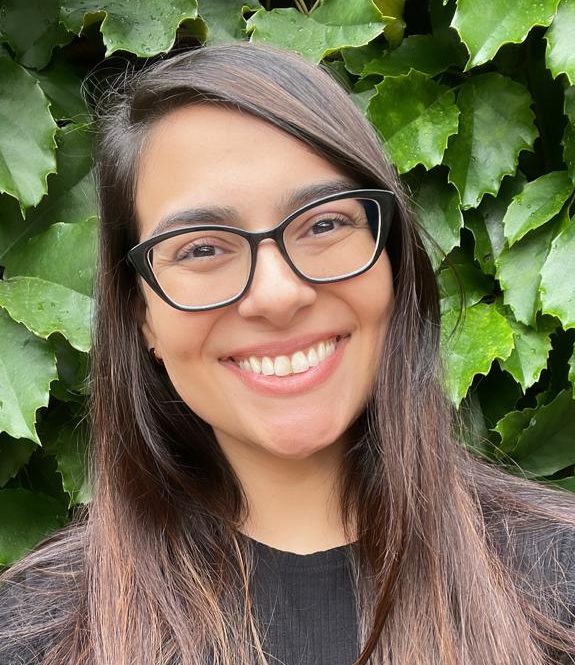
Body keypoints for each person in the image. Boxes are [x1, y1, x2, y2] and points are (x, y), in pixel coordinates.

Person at [1, 42, 574, 665]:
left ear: (392, 260)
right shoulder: (37, 632)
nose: (277, 296)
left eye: (324, 224)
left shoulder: (561, 579)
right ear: (142, 315)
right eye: (200, 248)